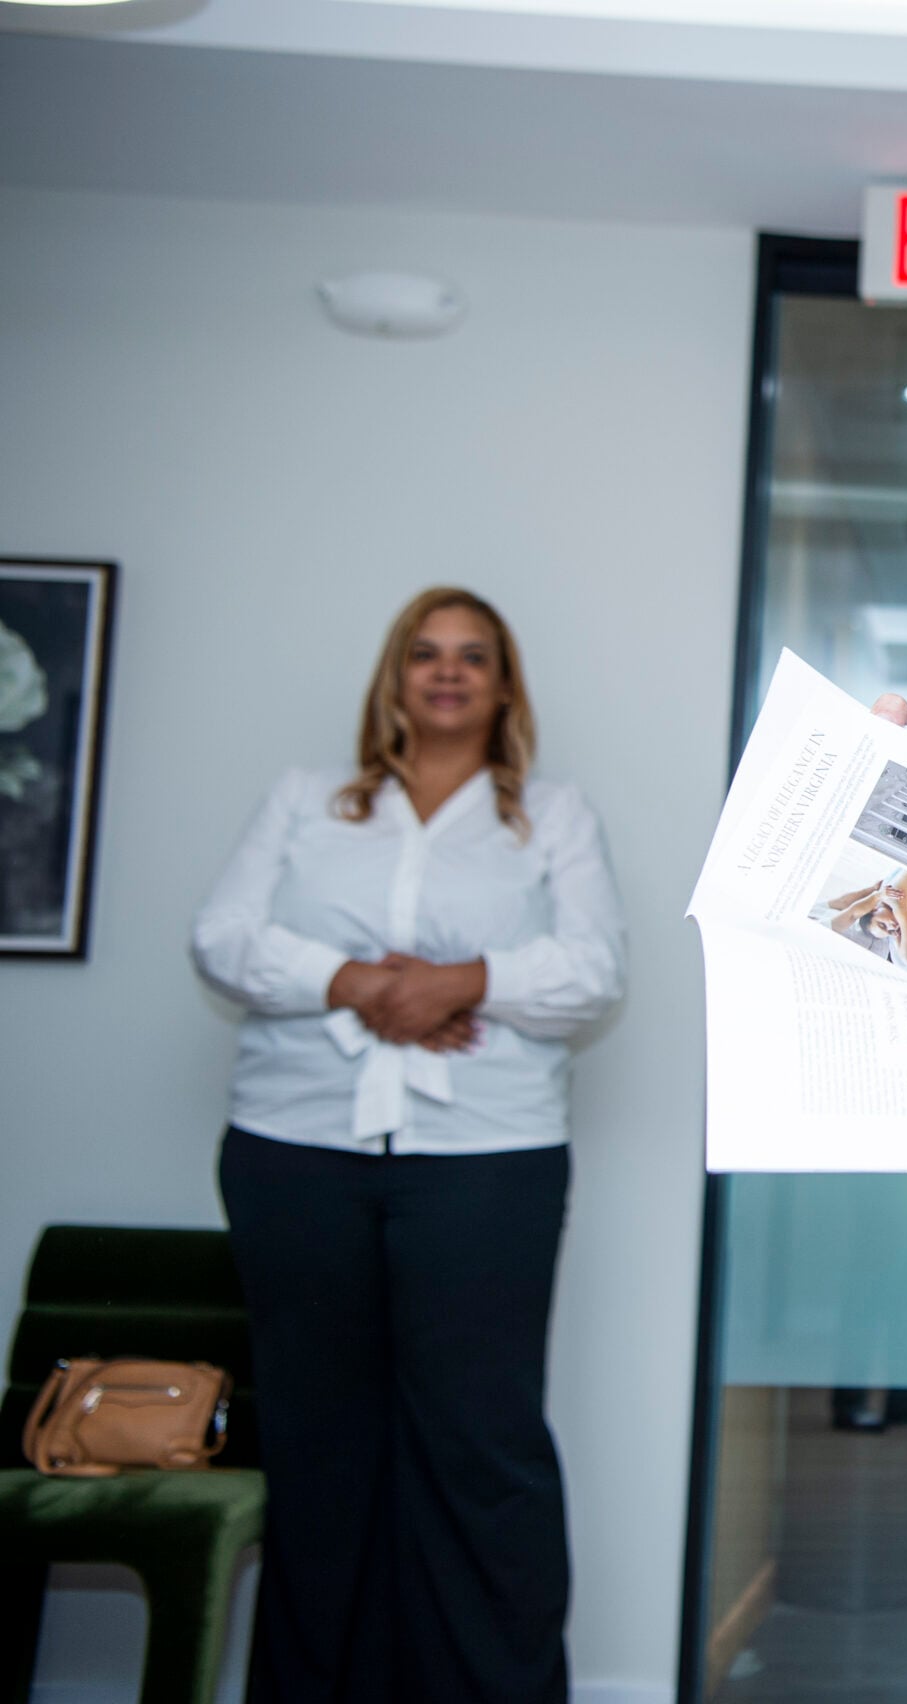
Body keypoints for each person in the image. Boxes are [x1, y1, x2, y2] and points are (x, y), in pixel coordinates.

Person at [193, 587, 625, 1703]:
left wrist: (465, 981)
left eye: (472, 657)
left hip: (487, 1162)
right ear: (395, 678)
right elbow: (223, 938)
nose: (446, 673)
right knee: (318, 1442)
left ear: (502, 686)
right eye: (425, 655)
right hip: (295, 1152)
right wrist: (351, 983)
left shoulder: (554, 819)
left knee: (480, 1449)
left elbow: (591, 974)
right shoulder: (304, 804)